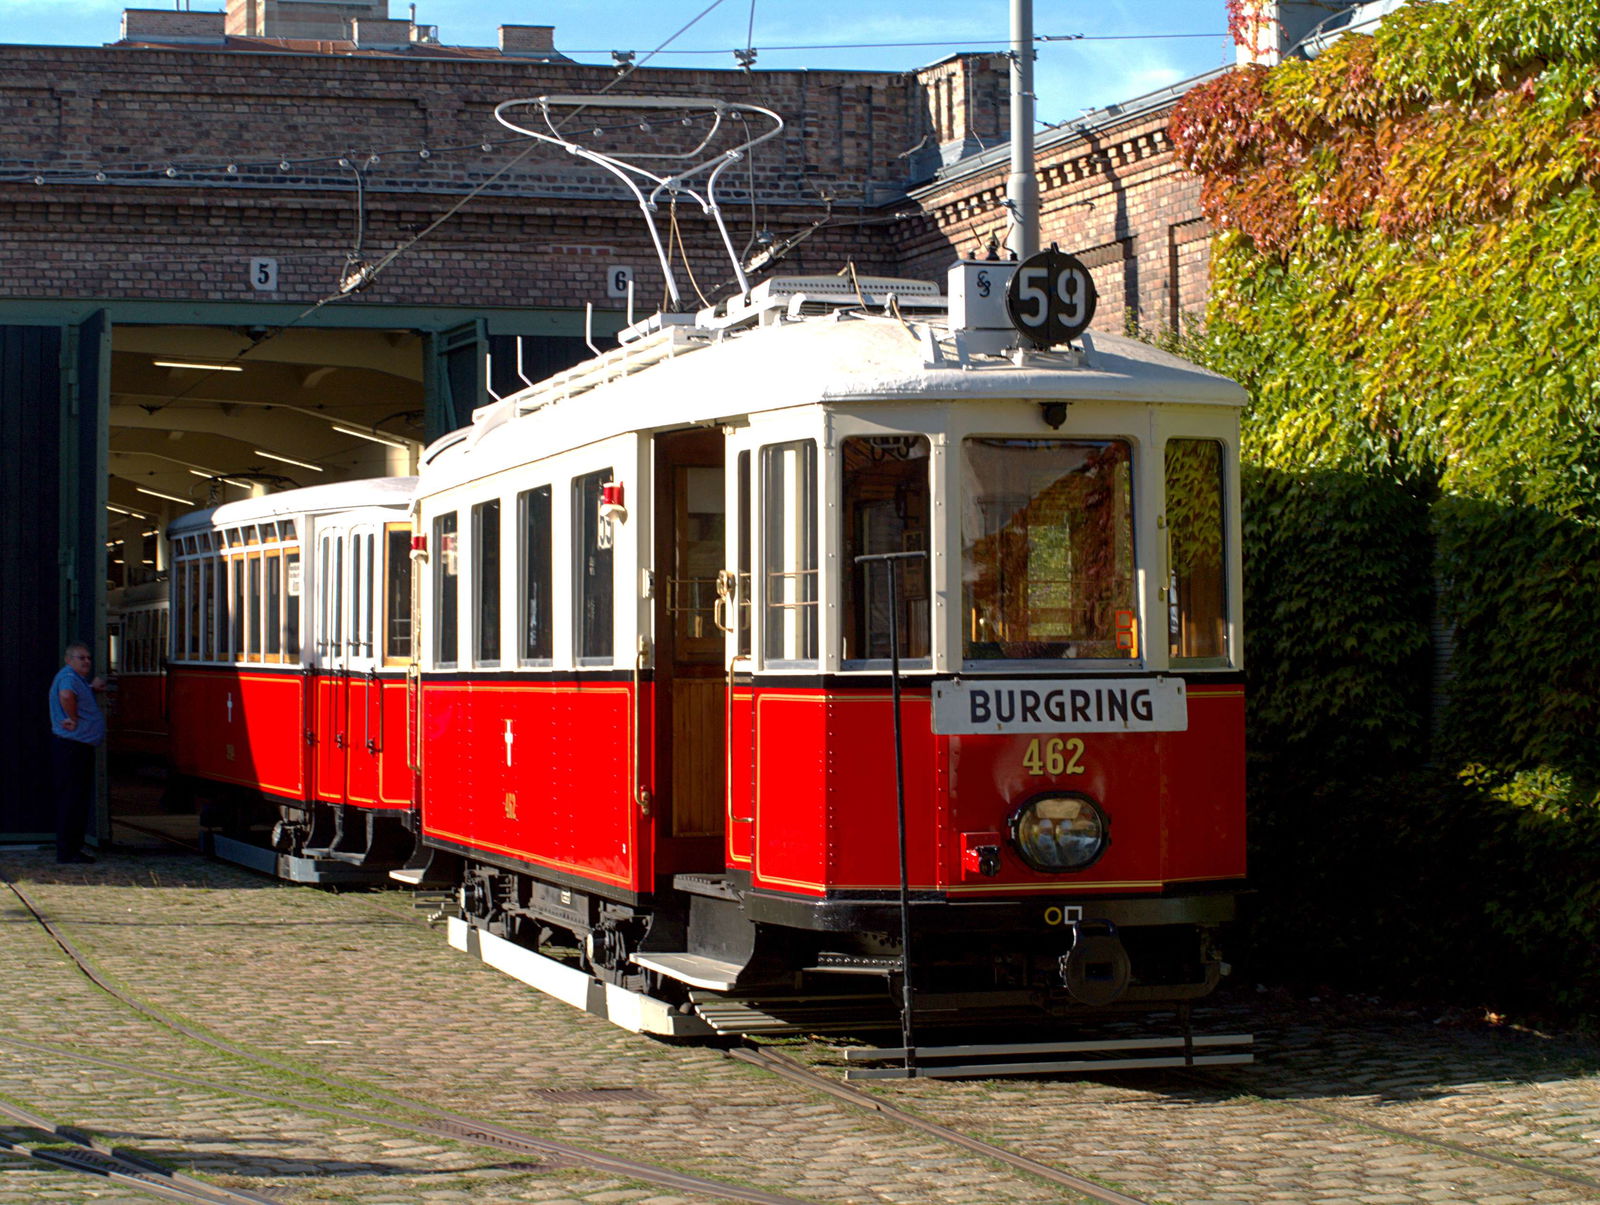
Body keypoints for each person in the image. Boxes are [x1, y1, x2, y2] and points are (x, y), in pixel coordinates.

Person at [49, 641, 106, 864]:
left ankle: (72, 848)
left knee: (76, 798)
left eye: (88, 658)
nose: (87, 662)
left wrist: (91, 689)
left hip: (77, 746)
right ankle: (68, 851)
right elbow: (66, 695)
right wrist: (72, 718)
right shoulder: (69, 677)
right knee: (72, 799)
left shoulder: (75, 678)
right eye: (81, 658)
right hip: (73, 747)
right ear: (68, 659)